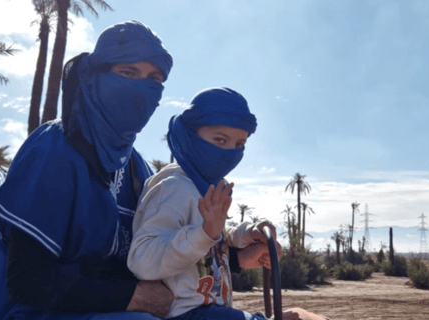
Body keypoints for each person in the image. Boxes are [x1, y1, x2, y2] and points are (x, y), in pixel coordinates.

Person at [0, 20, 175, 320]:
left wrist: (237, 257)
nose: (141, 89)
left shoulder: (138, 168)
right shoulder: (53, 148)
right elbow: (28, 282)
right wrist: (130, 296)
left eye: (154, 79)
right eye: (127, 73)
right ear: (94, 77)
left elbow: (158, 251)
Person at [127, 88, 330, 320]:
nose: (229, 153)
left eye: (239, 145)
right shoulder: (172, 187)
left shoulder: (205, 185)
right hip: (186, 313)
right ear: (191, 134)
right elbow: (143, 261)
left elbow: (214, 235)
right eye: (219, 140)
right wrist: (205, 233)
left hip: (213, 311)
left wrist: (245, 234)